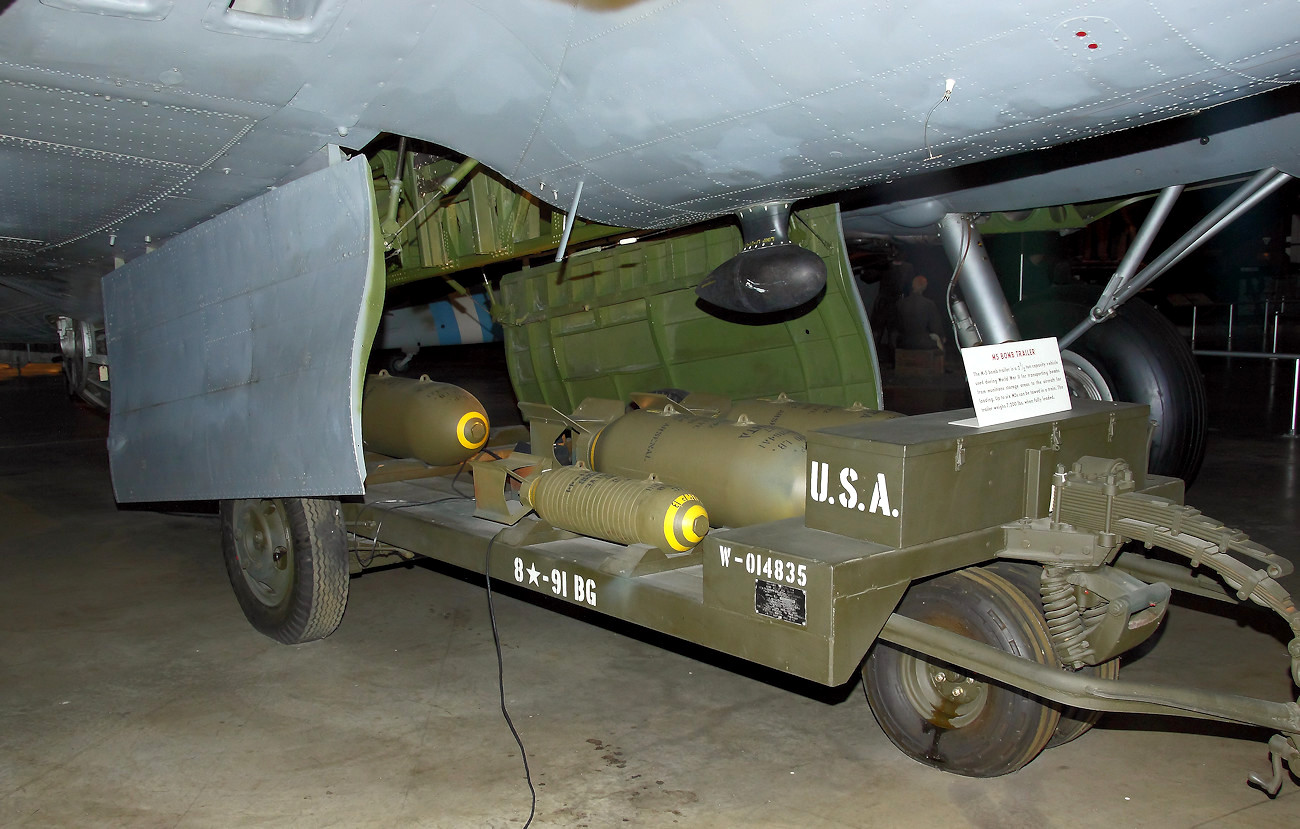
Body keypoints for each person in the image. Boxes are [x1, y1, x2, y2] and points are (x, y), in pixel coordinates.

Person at [896, 275, 946, 351]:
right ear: (925, 286)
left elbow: (896, 326)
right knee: (939, 342)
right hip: (922, 343)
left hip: (903, 342)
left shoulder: (900, 303)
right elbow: (936, 326)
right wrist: (941, 337)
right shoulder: (929, 304)